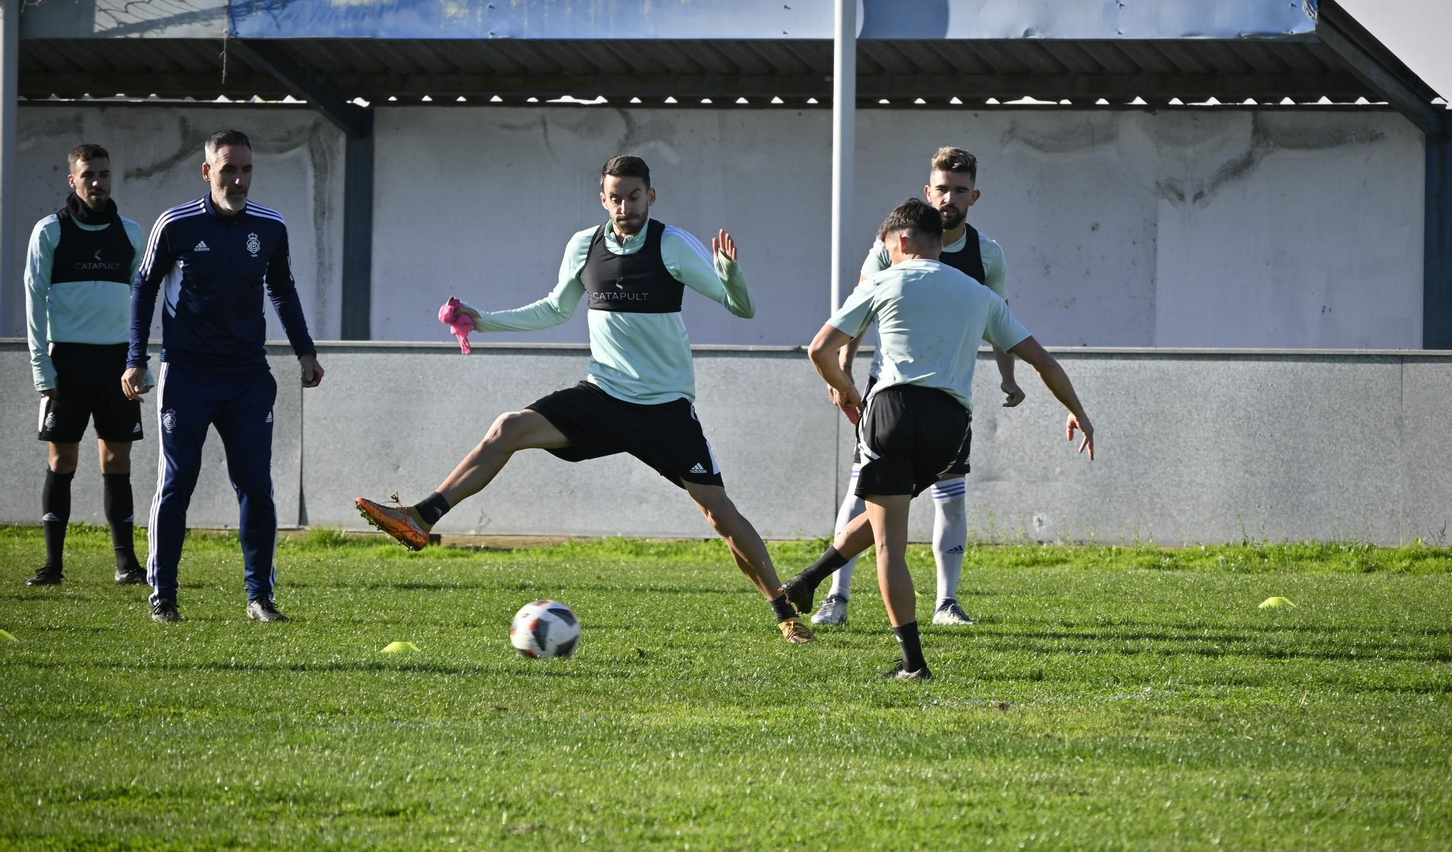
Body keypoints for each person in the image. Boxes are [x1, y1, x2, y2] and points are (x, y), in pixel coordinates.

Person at [354, 154, 816, 645]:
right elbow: (554, 309)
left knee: (719, 514)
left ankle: (784, 612)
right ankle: (420, 518)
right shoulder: (583, 245)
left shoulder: (674, 245)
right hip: (602, 394)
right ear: (603, 199)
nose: (625, 207)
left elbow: (742, 308)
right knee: (508, 427)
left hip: (664, 407)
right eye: (615, 198)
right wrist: (481, 319)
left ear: (650, 196)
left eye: (633, 197)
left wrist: (730, 273)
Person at [781, 198, 1094, 679]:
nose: (888, 255)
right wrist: (1078, 412)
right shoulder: (977, 293)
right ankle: (810, 579)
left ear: (903, 241)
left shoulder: (884, 281)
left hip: (893, 412)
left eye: (888, 247)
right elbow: (1043, 361)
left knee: (890, 543)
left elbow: (820, 349)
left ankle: (913, 663)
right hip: (949, 427)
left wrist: (845, 389)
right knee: (888, 511)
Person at [812, 146, 1020, 628]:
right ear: (928, 191)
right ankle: (836, 598)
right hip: (889, 390)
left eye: (960, 190)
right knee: (862, 490)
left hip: (949, 395)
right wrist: (844, 372)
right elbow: (859, 307)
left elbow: (1003, 320)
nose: (949, 198)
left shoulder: (987, 254)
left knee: (952, 490)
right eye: (942, 188)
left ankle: (947, 603)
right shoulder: (894, 242)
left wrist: (1007, 376)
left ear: (974, 196)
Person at [123, 129, 325, 623]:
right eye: (229, 169)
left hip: (247, 376)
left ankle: (260, 597)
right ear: (207, 171)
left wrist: (305, 352)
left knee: (256, 483)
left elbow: (282, 289)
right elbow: (145, 287)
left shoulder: (270, 226)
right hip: (187, 374)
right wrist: (136, 358)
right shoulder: (175, 224)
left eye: (246, 170)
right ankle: (163, 596)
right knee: (176, 484)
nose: (238, 179)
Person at [23, 144, 148, 587]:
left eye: (104, 174)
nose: (97, 182)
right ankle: (52, 567)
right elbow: (33, 300)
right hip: (67, 361)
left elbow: (143, 303)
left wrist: (140, 361)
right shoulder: (50, 231)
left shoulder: (131, 233)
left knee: (117, 460)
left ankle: (127, 565)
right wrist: (41, 368)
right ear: (72, 180)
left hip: (117, 363)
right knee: (62, 459)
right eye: (88, 175)